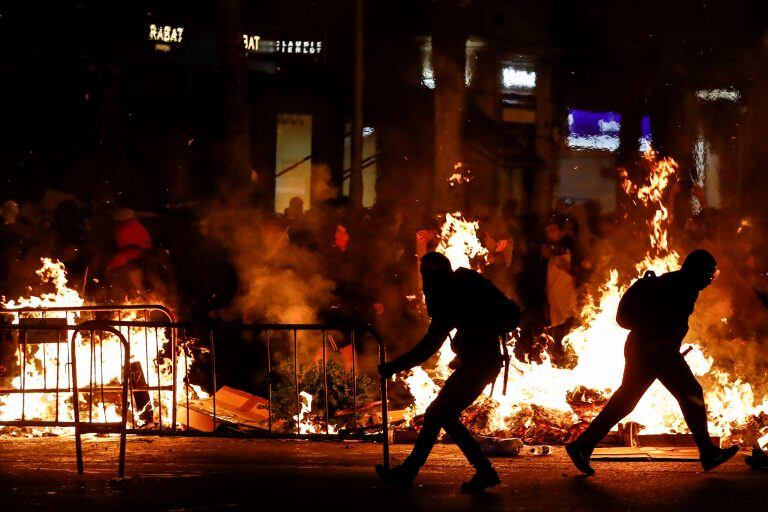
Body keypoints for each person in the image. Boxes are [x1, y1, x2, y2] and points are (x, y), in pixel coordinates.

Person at [566, 249, 739, 475]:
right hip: (655, 351)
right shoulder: (681, 288)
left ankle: (582, 446)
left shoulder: (676, 283)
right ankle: (707, 451)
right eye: (709, 274)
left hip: (645, 348)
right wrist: (662, 348)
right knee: (691, 393)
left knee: (627, 399)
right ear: (697, 271)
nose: (709, 280)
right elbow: (664, 322)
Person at [376, 252, 516, 491]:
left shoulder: (450, 296)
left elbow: (428, 346)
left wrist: (394, 367)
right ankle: (484, 471)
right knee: (445, 416)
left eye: (424, 275)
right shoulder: (464, 283)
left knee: (436, 414)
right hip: (482, 363)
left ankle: (408, 473)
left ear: (431, 276)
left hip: (478, 365)